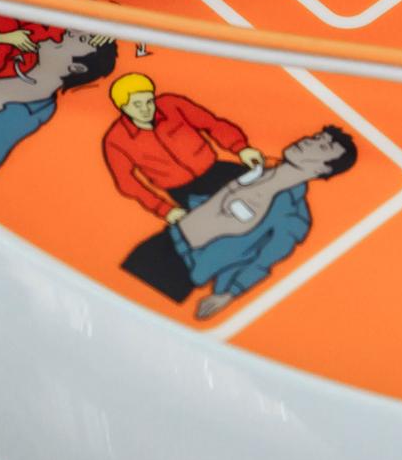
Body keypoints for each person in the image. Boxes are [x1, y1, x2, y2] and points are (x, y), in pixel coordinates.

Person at [122, 126, 360, 317]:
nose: (308, 141)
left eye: (322, 146)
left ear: (322, 168)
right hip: (160, 242)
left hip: (183, 270)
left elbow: (264, 260)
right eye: (315, 137)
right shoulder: (249, 169)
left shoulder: (294, 216)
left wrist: (228, 294)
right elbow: (191, 189)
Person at [0, 31, 119, 184]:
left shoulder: (26, 111)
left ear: (75, 68)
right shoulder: (17, 65)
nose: (71, 33)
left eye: (82, 40)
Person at [101, 72, 264, 217]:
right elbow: (127, 183)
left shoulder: (171, 104)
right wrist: (164, 210)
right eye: (137, 104)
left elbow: (212, 124)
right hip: (184, 191)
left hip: (216, 170)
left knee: (266, 182)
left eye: (149, 101)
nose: (146, 109)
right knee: (228, 217)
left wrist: (242, 149)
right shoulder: (115, 140)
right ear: (122, 106)